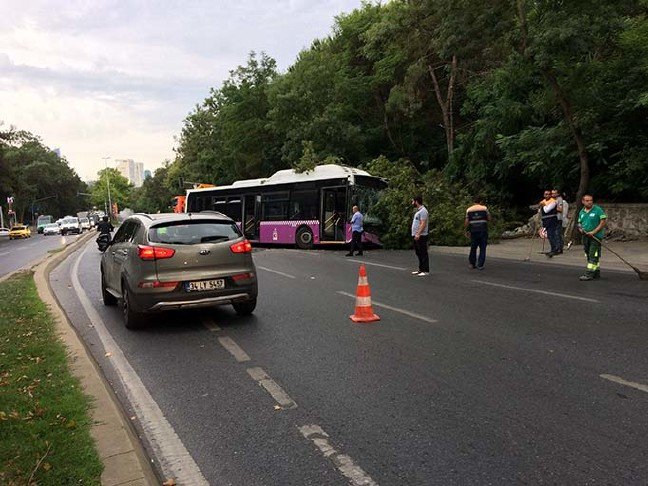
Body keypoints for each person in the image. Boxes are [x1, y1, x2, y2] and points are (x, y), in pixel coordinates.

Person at [577, 194, 607, 281]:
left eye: (591, 200)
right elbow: (579, 223)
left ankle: (589, 274)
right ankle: (596, 272)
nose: (589, 202)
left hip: (595, 237)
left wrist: (594, 232)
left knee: (592, 254)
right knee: (589, 254)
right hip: (586, 237)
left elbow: (603, 221)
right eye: (587, 201)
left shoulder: (597, 210)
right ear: (583, 201)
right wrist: (580, 229)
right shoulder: (582, 212)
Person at [465, 196, 491, 270]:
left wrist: (466, 230)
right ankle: (480, 264)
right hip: (483, 230)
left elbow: (466, 222)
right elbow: (489, 218)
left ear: (474, 202)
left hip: (473, 231)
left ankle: (472, 264)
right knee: (482, 248)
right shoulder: (484, 208)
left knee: (473, 247)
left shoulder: (469, 210)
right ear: (481, 202)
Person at [538, 190, 560, 257]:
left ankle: (555, 249)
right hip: (546, 221)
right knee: (549, 236)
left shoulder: (553, 202)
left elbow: (547, 210)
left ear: (550, 195)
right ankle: (553, 249)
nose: (546, 195)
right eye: (545, 194)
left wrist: (543, 205)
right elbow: (540, 210)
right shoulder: (543, 201)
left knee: (552, 235)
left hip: (552, 221)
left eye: (548, 194)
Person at [411, 196, 429, 276]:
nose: (412, 203)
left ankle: (425, 270)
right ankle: (420, 269)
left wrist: (418, 233)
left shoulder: (423, 211)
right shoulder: (419, 211)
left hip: (421, 235)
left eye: (413, 201)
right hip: (416, 235)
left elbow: (423, 223)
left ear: (416, 201)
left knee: (423, 252)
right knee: (418, 252)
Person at [551, 189, 565, 253]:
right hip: (552, 219)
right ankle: (555, 248)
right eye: (552, 193)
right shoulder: (551, 200)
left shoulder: (559, 199)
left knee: (557, 234)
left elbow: (560, 209)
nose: (553, 194)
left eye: (554, 193)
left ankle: (559, 248)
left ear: (557, 194)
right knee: (553, 234)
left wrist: (552, 207)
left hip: (558, 218)